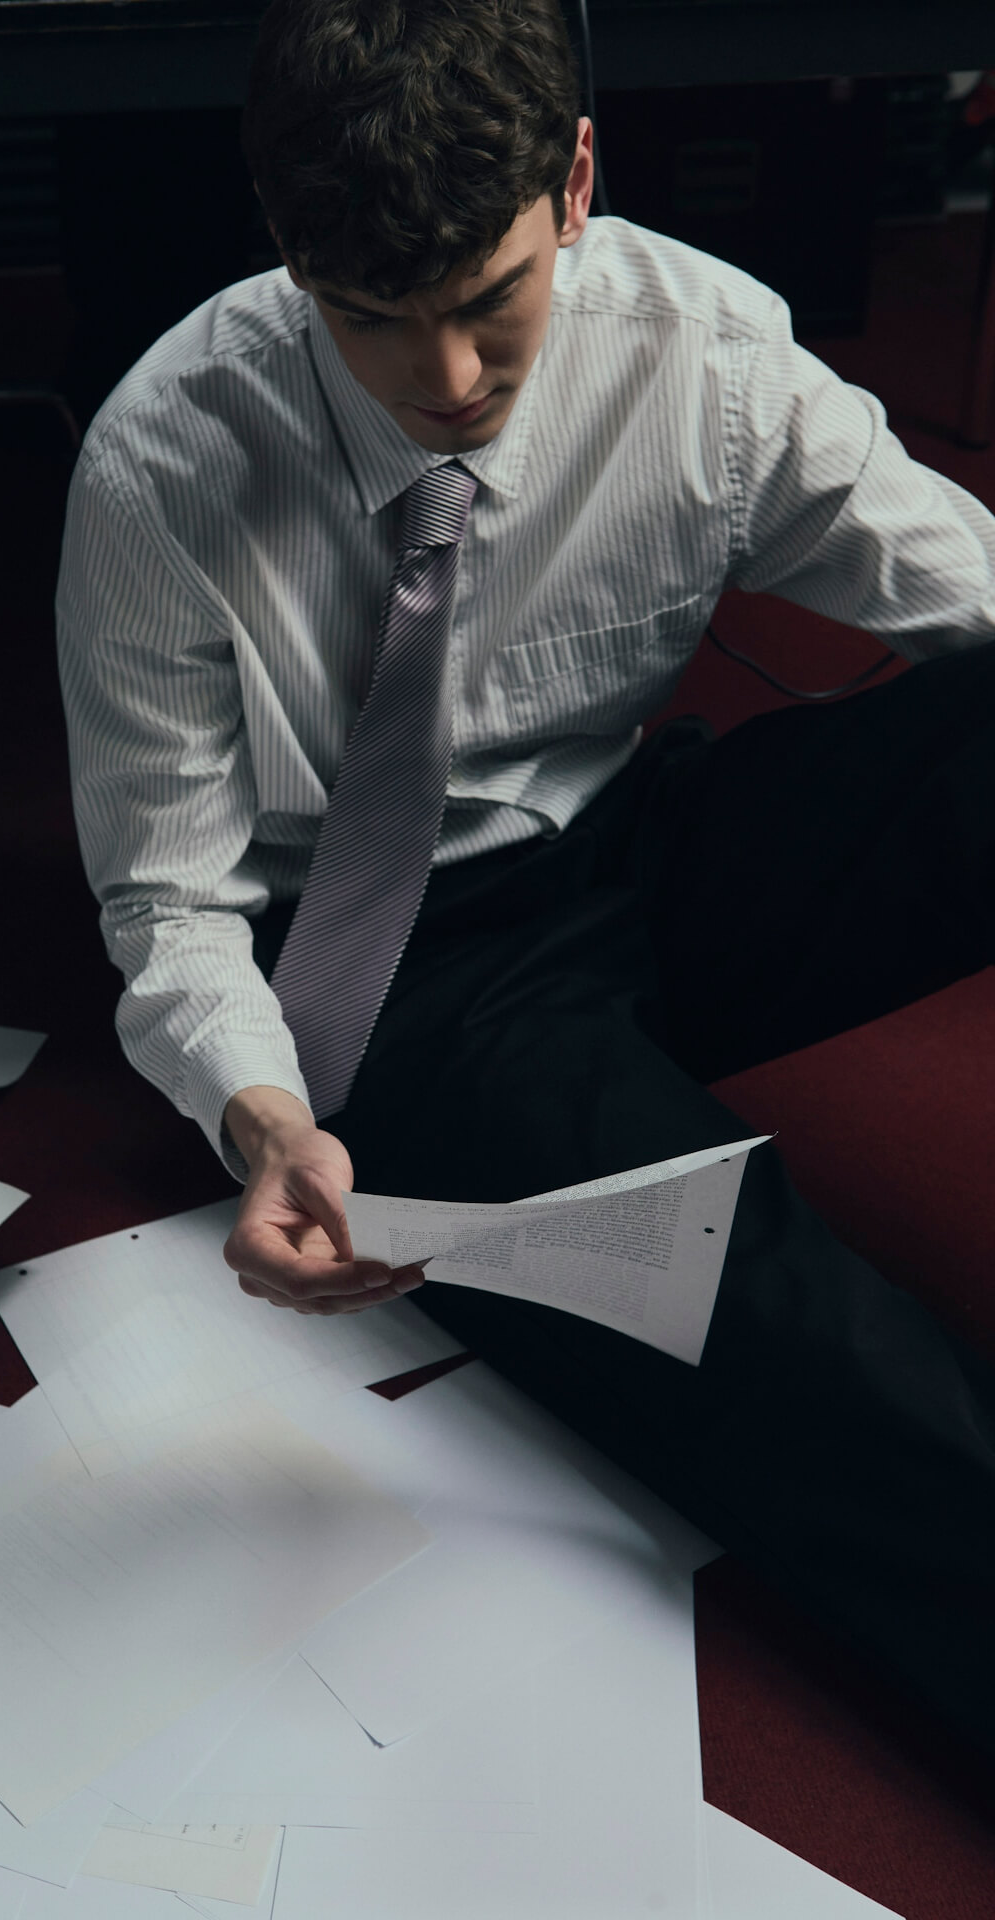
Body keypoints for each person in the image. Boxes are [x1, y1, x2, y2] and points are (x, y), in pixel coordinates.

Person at [55, 0, 995, 1757]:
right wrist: (264, 1122)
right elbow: (168, 901)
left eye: (492, 306)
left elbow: (969, 594)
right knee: (769, 1315)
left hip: (635, 845)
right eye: (372, 326)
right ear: (287, 256)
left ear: (575, 181)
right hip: (384, 972)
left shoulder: (697, 348)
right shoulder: (163, 468)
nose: (451, 387)